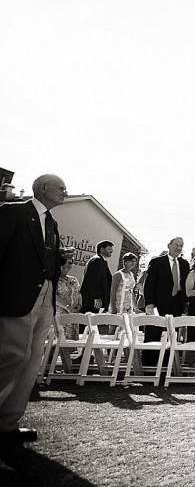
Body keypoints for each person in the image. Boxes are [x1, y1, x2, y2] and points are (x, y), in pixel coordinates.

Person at [0, 173, 71, 443]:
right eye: (61, 188)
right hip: (17, 297)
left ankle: (8, 422)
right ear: (43, 188)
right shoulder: (12, 213)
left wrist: (59, 255)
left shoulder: (52, 223)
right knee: (10, 356)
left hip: (45, 296)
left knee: (31, 360)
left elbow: (42, 258)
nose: (66, 192)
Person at [143, 237, 190, 363]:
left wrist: (186, 303)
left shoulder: (184, 264)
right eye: (176, 245)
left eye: (181, 246)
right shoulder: (157, 262)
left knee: (171, 335)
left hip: (177, 304)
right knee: (153, 333)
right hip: (158, 304)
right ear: (169, 245)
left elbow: (185, 284)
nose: (178, 248)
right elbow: (149, 284)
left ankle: (167, 365)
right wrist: (149, 303)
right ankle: (149, 364)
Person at [80, 240, 114, 312]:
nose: (111, 251)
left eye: (112, 249)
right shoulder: (97, 260)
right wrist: (96, 297)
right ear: (101, 249)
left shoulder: (101, 261)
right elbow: (92, 280)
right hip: (93, 302)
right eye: (109, 249)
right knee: (89, 321)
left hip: (97, 302)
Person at [55, 256, 82, 340]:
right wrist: (68, 307)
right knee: (57, 344)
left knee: (71, 346)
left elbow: (78, 293)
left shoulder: (73, 279)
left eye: (70, 263)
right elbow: (53, 296)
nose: (67, 265)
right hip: (59, 316)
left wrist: (79, 305)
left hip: (73, 316)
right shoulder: (54, 279)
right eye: (64, 262)